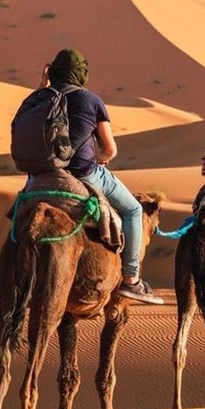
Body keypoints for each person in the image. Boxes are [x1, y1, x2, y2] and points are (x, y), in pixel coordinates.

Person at [38, 48, 163, 305]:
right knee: (132, 211)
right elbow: (109, 149)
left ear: (53, 72)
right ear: (81, 74)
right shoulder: (91, 100)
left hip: (40, 176)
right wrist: (100, 159)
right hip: (85, 174)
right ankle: (131, 280)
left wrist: (42, 85)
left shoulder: (39, 99)